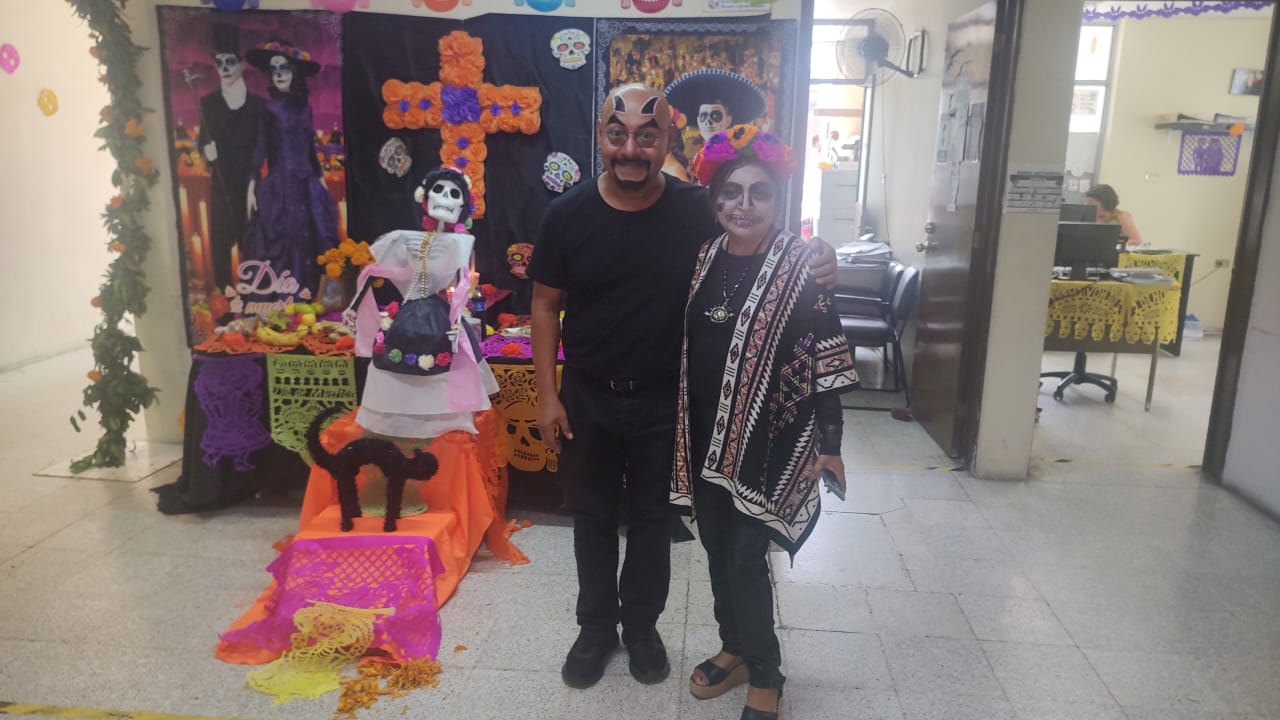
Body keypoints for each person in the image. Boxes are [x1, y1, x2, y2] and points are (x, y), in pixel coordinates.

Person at [526, 84, 838, 693]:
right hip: (586, 395)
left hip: (667, 400)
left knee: (653, 519)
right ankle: (596, 628)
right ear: (600, 137)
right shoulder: (567, 215)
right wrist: (546, 394)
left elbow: (758, 232)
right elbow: (543, 306)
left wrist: (819, 254)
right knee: (591, 517)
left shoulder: (696, 208)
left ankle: (642, 627)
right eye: (618, 134)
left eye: (647, 135)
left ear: (668, 138)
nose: (631, 149)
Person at [676, 125, 858, 720]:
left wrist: (830, 443)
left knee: (746, 558)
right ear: (715, 199)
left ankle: (766, 673)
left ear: (778, 200)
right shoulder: (705, 258)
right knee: (714, 546)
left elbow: (826, 356)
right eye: (731, 192)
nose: (744, 204)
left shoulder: (802, 265)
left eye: (759, 193)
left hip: (769, 441)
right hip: (704, 438)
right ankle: (734, 645)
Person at [348, 167, 498, 439]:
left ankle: (442, 419)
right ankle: (398, 420)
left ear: (462, 205)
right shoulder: (404, 238)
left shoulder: (460, 242)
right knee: (396, 358)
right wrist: (357, 298)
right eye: (439, 191)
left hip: (439, 314)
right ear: (425, 198)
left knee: (447, 362)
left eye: (454, 194)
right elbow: (391, 272)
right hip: (410, 310)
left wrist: (456, 320)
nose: (446, 198)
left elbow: (463, 283)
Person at [242, 39, 340, 296]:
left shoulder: (305, 109)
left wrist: (320, 180)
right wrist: (252, 184)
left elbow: (308, 147)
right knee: (282, 237)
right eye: (274, 70)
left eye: (283, 68)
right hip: (281, 185)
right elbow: (261, 146)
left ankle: (310, 293)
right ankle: (285, 295)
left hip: (306, 184)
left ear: (294, 72)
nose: (278, 74)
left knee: (312, 235)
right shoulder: (269, 109)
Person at [197, 23, 265, 292]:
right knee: (222, 236)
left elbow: (264, 147)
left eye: (230, 62)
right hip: (221, 184)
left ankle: (255, 291)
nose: (224, 68)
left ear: (241, 64)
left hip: (250, 186)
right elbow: (202, 142)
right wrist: (206, 152)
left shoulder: (259, 105)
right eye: (219, 62)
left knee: (252, 238)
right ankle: (224, 290)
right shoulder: (208, 103)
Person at [1085, 184, 1143, 248]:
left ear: (1105, 202)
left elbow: (1136, 240)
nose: (1088, 207)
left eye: (1091, 203)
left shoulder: (1121, 217)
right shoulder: (1088, 216)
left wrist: (1112, 244)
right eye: (1087, 203)